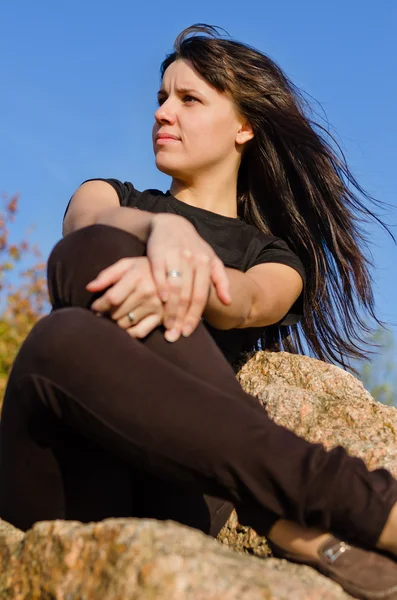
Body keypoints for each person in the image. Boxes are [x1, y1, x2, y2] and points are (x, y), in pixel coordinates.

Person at [1, 23, 397, 599]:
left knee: (62, 334)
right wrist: (161, 232)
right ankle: (319, 508)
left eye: (189, 99)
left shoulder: (273, 256)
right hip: (68, 475)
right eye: (162, 98)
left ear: (244, 126)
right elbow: (81, 231)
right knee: (79, 282)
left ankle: (306, 500)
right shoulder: (115, 197)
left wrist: (184, 281)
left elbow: (250, 303)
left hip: (179, 482)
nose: (164, 112)